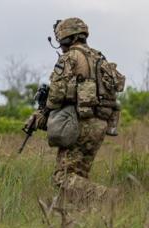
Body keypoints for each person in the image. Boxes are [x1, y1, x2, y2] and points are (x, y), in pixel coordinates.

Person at [27, 18, 125, 207]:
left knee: (62, 178)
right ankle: (75, 217)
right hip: (101, 123)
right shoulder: (99, 58)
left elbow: (55, 96)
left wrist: (43, 114)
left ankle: (109, 197)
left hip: (80, 123)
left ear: (65, 38)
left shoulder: (70, 57)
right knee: (78, 176)